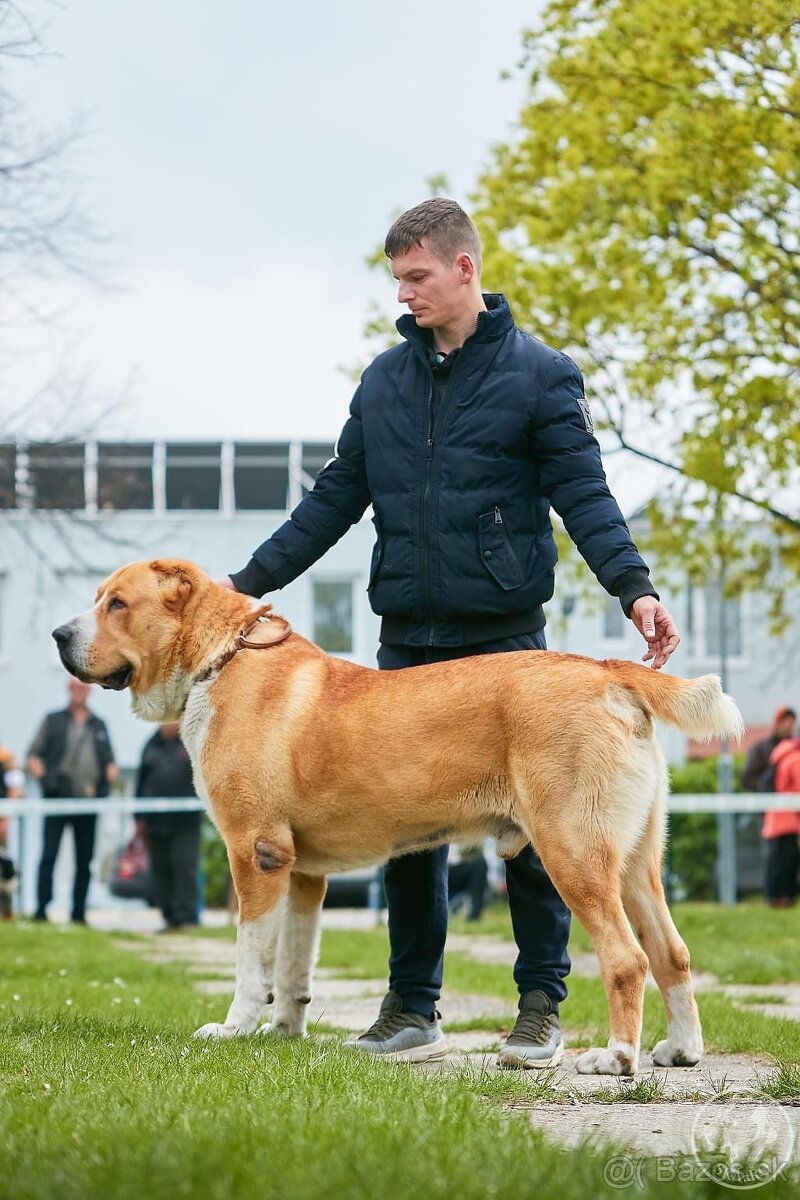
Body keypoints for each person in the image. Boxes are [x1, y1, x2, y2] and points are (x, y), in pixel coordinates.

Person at [221, 198, 680, 1067]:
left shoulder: (542, 375)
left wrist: (634, 588)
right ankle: (411, 1008)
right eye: (397, 279)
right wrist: (242, 587)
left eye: (418, 277)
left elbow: (584, 494)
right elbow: (333, 499)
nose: (406, 293)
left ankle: (541, 1004)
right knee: (402, 835)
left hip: (506, 642)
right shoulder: (383, 382)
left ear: (465, 268)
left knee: (539, 838)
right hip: (408, 639)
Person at [27, 677, 117, 924]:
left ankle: (78, 913)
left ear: (89, 692)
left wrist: (109, 777)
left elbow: (109, 762)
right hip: (57, 800)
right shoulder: (53, 720)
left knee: (84, 860)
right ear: (69, 690)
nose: (80, 692)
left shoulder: (98, 725)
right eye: (76, 687)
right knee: (49, 856)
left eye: (84, 688)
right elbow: (33, 756)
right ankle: (41, 910)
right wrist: (43, 776)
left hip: (88, 803)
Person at [135, 722, 202, 931]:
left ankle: (187, 918)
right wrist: (138, 818)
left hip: (185, 823)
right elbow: (140, 782)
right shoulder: (150, 745)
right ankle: (169, 917)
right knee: (161, 870)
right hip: (156, 823)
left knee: (185, 869)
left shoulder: (190, 742)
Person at [763, 729, 800, 908]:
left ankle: (774, 898)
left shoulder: (780, 753)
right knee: (787, 862)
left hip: (774, 816)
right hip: (788, 819)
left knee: (776, 862)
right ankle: (784, 899)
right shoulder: (794, 758)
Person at [741, 706, 796, 792]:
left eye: (791, 722)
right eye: (785, 721)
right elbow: (748, 778)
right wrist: (767, 786)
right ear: (777, 723)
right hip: (768, 801)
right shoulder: (761, 749)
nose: (788, 726)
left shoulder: (795, 750)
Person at [0, 743, 24, 919]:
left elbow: (15, 789)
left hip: (1, 821)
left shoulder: (5, 757)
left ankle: (6, 910)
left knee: (5, 869)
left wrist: (5, 818)